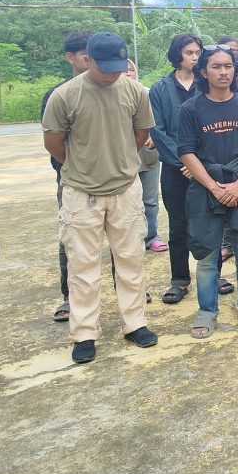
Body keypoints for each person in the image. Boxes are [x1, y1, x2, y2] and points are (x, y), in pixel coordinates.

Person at [43, 31, 158, 364]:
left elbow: (141, 133)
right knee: (82, 266)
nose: (112, 75)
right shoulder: (65, 95)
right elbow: (54, 143)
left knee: (131, 260)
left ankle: (135, 323)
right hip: (81, 193)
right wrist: (84, 167)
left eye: (117, 68)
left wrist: (120, 161)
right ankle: (84, 333)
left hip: (125, 189)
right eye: (105, 68)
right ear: (87, 60)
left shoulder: (134, 91)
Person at [178, 44, 238, 338]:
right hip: (206, 188)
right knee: (207, 257)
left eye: (228, 66)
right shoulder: (191, 108)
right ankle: (207, 311)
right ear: (203, 72)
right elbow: (186, 151)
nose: (223, 72)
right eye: (216, 66)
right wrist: (213, 187)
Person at [150, 33, 213, 305]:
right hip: (174, 170)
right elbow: (157, 129)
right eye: (189, 52)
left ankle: (213, 276)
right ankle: (180, 280)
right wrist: (185, 161)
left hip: (206, 167)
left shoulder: (206, 86)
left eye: (198, 52)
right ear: (177, 55)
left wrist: (199, 162)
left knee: (209, 223)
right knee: (178, 226)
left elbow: (213, 126)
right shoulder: (160, 88)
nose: (195, 57)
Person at [41, 30, 92, 323]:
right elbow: (54, 142)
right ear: (70, 57)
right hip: (72, 179)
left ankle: (127, 291)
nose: (91, 59)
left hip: (114, 178)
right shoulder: (57, 95)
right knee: (71, 239)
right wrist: (73, 167)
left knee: (122, 240)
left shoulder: (118, 89)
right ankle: (70, 297)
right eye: (85, 55)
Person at [127, 60, 167, 253]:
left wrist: (153, 138)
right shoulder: (110, 94)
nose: (128, 73)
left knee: (150, 200)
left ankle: (151, 236)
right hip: (123, 156)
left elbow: (159, 120)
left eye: (131, 70)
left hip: (147, 153)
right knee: (127, 201)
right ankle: (131, 238)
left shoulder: (148, 93)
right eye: (123, 70)